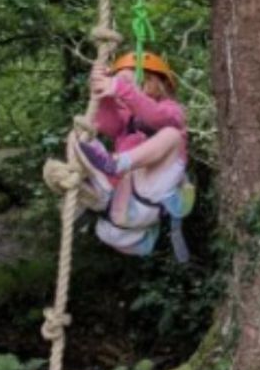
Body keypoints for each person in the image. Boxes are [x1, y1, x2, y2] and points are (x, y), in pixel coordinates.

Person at [68, 51, 193, 261]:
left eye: (142, 79)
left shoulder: (173, 111)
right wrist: (104, 92)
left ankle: (116, 166)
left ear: (160, 83)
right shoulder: (128, 118)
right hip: (119, 203)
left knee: (172, 136)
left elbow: (154, 116)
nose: (135, 85)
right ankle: (94, 189)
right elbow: (107, 124)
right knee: (79, 134)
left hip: (147, 196)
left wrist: (122, 87)